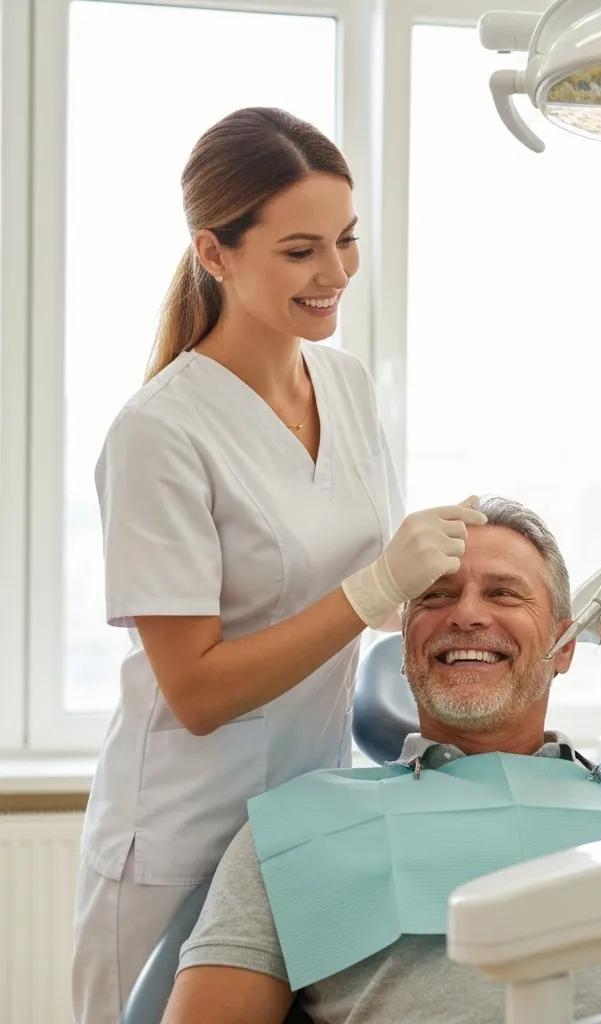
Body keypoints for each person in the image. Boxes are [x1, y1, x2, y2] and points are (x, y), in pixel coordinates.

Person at [71, 106, 486, 1024]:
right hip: (179, 831)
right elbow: (199, 692)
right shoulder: (161, 432)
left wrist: (458, 587)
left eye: (346, 241)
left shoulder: (344, 385)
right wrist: (376, 583)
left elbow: (363, 608)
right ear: (214, 254)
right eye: (300, 250)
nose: (335, 274)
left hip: (307, 825)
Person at [162, 498, 601, 1024]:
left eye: (504, 595)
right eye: (437, 597)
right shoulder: (298, 828)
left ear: (564, 645)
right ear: (407, 641)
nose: (468, 615)